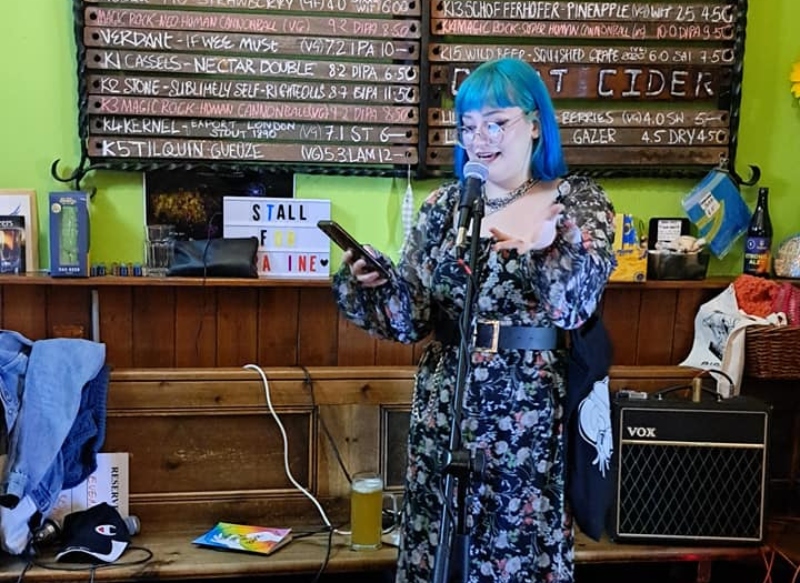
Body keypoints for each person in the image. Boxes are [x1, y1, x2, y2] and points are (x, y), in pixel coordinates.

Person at [332, 57, 616, 583]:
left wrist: (548, 250)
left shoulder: (574, 202)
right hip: (445, 406)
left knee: (515, 547)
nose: (479, 137)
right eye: (467, 125)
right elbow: (410, 316)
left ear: (534, 123)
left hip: (527, 412)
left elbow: (574, 307)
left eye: (495, 122)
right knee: (440, 542)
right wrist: (372, 282)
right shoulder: (445, 207)